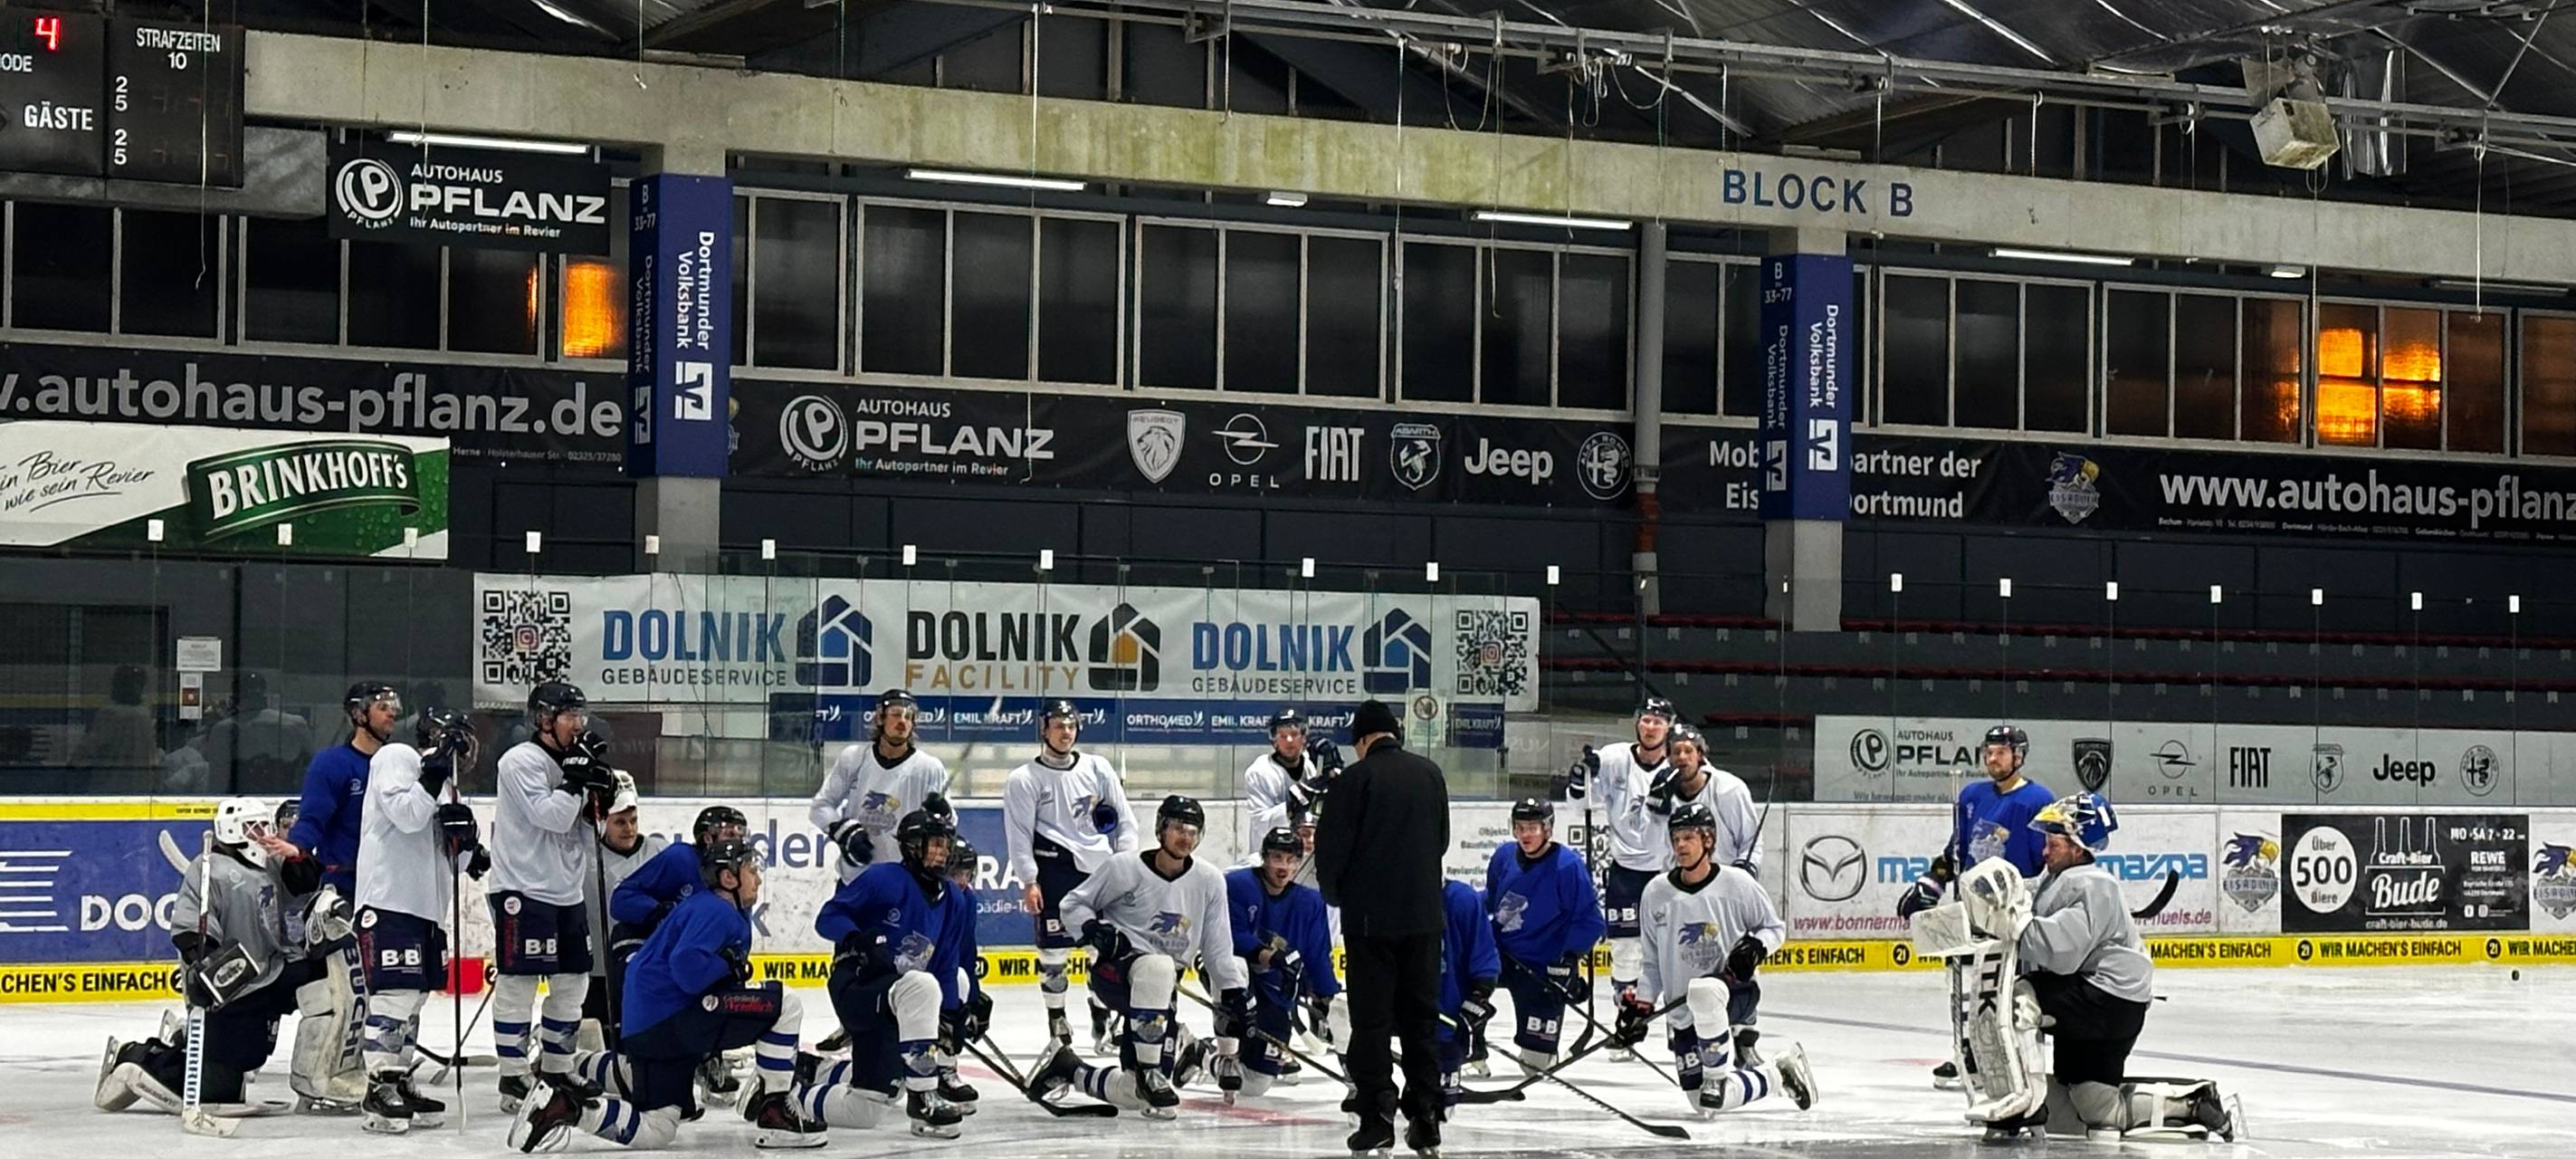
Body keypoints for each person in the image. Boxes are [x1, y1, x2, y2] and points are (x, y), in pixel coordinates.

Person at [509, 838, 825, 1152]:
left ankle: (565, 1107)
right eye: (750, 869)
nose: (757, 877)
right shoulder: (719, 910)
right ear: (728, 878)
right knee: (786, 1004)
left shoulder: (698, 906)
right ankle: (776, 1108)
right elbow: (687, 969)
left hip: (647, 1028)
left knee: (657, 1128)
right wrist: (726, 963)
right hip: (671, 1021)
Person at [1955, 793, 2236, 1142]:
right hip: (2118, 1005)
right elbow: (2024, 899)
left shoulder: (2090, 882)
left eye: (2053, 844)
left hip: (2103, 998)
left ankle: (2023, 1102)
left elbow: (2061, 953)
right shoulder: (2064, 879)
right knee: (2098, 1112)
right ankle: (2192, 1105)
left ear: (2078, 846)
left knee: (2019, 1000)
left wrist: (2014, 925)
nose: (2044, 852)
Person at [94, 799, 339, 1119]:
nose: (262, 833)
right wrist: (206, 963)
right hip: (232, 985)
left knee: (322, 976)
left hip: (270, 971)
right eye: (254, 827)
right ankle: (139, 1059)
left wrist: (295, 855)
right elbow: (187, 929)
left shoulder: (268, 862)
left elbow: (305, 883)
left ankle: (323, 1077)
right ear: (231, 829)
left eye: (264, 825)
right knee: (220, 1086)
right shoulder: (208, 868)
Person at [1028, 795, 1247, 1120]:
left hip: (1162, 988)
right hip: (1115, 975)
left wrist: (1232, 994)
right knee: (1157, 968)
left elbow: (1217, 951)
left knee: (1143, 1098)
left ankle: (1071, 1069)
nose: (1185, 837)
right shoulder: (1124, 867)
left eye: (1192, 830)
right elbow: (1072, 904)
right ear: (1160, 831)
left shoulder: (1209, 880)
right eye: (1177, 828)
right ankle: (1150, 1070)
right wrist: (1093, 929)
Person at [1312, 698, 1450, 1156]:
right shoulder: (1430, 774)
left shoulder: (1355, 778)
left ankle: (1377, 1116)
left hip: (1371, 921)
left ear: (1362, 740)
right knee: (1420, 1020)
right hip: (1425, 918)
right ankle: (1426, 1116)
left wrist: (1339, 896)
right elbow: (1443, 841)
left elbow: (1331, 853)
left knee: (1371, 1022)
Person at [1620, 803, 1814, 1118]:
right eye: (1676, 838)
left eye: (1688, 837)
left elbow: (1775, 929)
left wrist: (1755, 947)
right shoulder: (1656, 893)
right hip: (1681, 1011)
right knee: (1705, 1103)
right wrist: (1641, 1007)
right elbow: (1653, 962)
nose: (1680, 845)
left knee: (1704, 992)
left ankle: (1715, 1078)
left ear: (1708, 840)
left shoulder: (1737, 884)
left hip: (1733, 993)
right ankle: (1779, 1075)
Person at [800, 810, 981, 1138]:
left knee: (872, 1104)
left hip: (898, 1000)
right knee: (921, 985)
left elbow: (945, 963)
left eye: (947, 844)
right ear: (913, 846)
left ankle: (813, 1071)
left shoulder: (954, 898)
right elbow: (827, 917)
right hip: (858, 987)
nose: (944, 852)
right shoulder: (884, 878)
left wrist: (951, 1014)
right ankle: (924, 1095)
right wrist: (857, 938)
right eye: (936, 844)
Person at [1898, 723, 2056, 1088]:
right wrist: (1931, 883)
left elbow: (2046, 858)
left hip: (2012, 911)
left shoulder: (2038, 800)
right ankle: (1967, 1054)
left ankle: (2010, 1056)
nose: (1992, 758)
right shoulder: (1971, 795)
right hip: (1970, 909)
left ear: (2019, 756)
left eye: (2000, 752)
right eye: (1988, 751)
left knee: (2011, 986)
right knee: (1967, 985)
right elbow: (1957, 851)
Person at [349, 708, 484, 1133]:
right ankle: (378, 1084)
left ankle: (398, 1077)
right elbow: (406, 816)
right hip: (389, 900)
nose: (462, 750)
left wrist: (467, 842)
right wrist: (433, 774)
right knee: (395, 994)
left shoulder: (447, 790)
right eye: (455, 739)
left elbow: (455, 861)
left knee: (416, 997)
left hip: (427, 907)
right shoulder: (398, 758)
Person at [491, 682, 616, 1109]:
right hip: (523, 889)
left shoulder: (575, 761)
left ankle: (558, 1071)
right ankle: (512, 1077)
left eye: (582, 716)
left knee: (574, 983)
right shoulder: (519, 761)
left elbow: (587, 830)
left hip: (566, 891)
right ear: (543, 720)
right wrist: (578, 779)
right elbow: (552, 817)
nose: (579, 724)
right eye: (569, 716)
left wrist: (600, 794)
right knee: (519, 983)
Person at [1000, 698, 1140, 1051]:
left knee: (1103, 950)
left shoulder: (1098, 768)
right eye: (1059, 725)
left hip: (1100, 872)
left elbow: (1125, 819)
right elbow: (1019, 835)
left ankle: (1101, 1017)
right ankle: (1057, 1021)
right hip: (1053, 871)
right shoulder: (1024, 779)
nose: (1066, 732)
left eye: (1071, 725)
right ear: (1044, 729)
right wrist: (1029, 880)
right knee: (1054, 954)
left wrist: (1126, 866)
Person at [611, 805, 751, 1101]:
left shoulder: (735, 873)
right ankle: (634, 1058)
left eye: (741, 834)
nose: (737, 840)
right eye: (729, 833)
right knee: (639, 982)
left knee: (719, 980)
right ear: (706, 837)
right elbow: (622, 899)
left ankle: (705, 1057)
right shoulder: (680, 859)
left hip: (682, 951)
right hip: (646, 942)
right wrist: (660, 912)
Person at [1557, 696, 1675, 1006]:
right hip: (1625, 870)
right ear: (1637, 723)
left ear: (1669, 727)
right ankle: (1627, 1021)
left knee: (1671, 947)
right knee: (1624, 950)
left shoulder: (1677, 765)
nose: (1650, 727)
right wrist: (1580, 780)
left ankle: (1677, 1025)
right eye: (1646, 720)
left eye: (1658, 722)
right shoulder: (1613, 757)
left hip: (1667, 872)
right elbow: (1580, 805)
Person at [1216, 826, 1345, 1098]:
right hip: (1236, 978)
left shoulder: (1310, 902)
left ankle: (1203, 1057)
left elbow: (1316, 955)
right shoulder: (1238, 885)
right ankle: (1225, 1050)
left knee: (1255, 1084)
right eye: (1277, 858)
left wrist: (1324, 997)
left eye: (1291, 860)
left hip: (1276, 992)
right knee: (1233, 970)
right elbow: (1229, 936)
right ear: (1264, 858)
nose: (1284, 867)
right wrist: (1270, 956)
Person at [1484, 798, 1607, 1073]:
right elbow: (1491, 900)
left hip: (1539, 969)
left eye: (1533, 828)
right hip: (1500, 956)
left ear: (1548, 829)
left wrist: (1569, 958)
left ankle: (1542, 1053)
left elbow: (1590, 920)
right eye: (1520, 827)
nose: (1525, 834)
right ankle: (1472, 1049)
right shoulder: (1504, 855)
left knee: (1534, 1066)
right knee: (1455, 983)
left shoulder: (1567, 866)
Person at [810, 689, 951, 883]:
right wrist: (844, 831)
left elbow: (948, 823)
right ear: (879, 718)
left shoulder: (929, 768)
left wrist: (941, 813)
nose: (902, 722)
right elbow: (821, 806)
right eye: (895, 714)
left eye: (908, 717)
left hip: (905, 881)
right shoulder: (854, 758)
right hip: (856, 879)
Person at [281, 683, 402, 898]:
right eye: (383, 708)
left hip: (391, 889)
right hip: (344, 887)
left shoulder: (398, 763)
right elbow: (313, 818)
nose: (392, 713)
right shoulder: (333, 764)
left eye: (393, 707)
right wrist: (298, 846)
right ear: (360, 715)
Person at [580, 772, 666, 1052]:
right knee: (597, 1046)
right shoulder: (584, 855)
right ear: (604, 821)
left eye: (633, 820)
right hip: (596, 974)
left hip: (644, 971)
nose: (629, 828)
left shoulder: (658, 852)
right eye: (619, 822)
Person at [1432, 878, 1498, 1110]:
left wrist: (1480, 993)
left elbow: (1483, 955)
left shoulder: (1461, 899)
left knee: (1440, 1109)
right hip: (1399, 1008)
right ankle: (1362, 1089)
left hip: (1445, 1018)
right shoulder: (1386, 895)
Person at [1241, 708, 1340, 851]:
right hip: (1269, 858)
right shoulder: (1259, 772)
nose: (1289, 740)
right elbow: (1262, 825)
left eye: (1294, 734)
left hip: (1299, 856)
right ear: (1274, 740)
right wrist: (1292, 804)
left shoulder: (1308, 766)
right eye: (1283, 735)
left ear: (1304, 738)